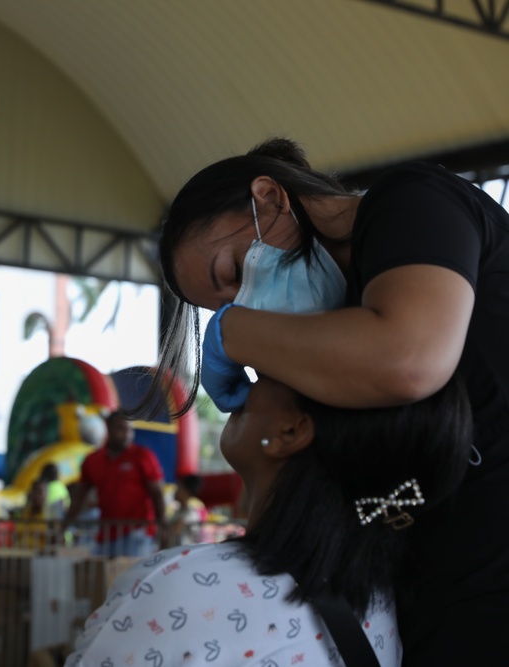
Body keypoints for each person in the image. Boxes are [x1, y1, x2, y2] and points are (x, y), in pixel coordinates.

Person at [154, 137, 509, 666]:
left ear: (270, 197)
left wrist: (236, 335)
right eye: (225, 307)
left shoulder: (412, 202)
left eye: (230, 275)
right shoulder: (335, 330)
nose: (244, 303)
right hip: (446, 602)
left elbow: (408, 358)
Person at [68, 374, 472, 667]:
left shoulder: (176, 588)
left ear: (291, 431)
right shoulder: (380, 604)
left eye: (271, 368)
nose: (247, 379)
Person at [63, 411, 167, 558]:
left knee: (132, 579)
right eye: (121, 429)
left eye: (130, 430)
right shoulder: (92, 461)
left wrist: (162, 529)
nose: (127, 435)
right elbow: (79, 498)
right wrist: (64, 526)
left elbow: (157, 493)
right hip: (105, 535)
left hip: (137, 533)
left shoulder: (143, 456)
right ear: (108, 428)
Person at [170, 473, 207, 545]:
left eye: (179, 488)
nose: (176, 491)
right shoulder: (178, 511)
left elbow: (174, 531)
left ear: (186, 492)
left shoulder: (191, 514)